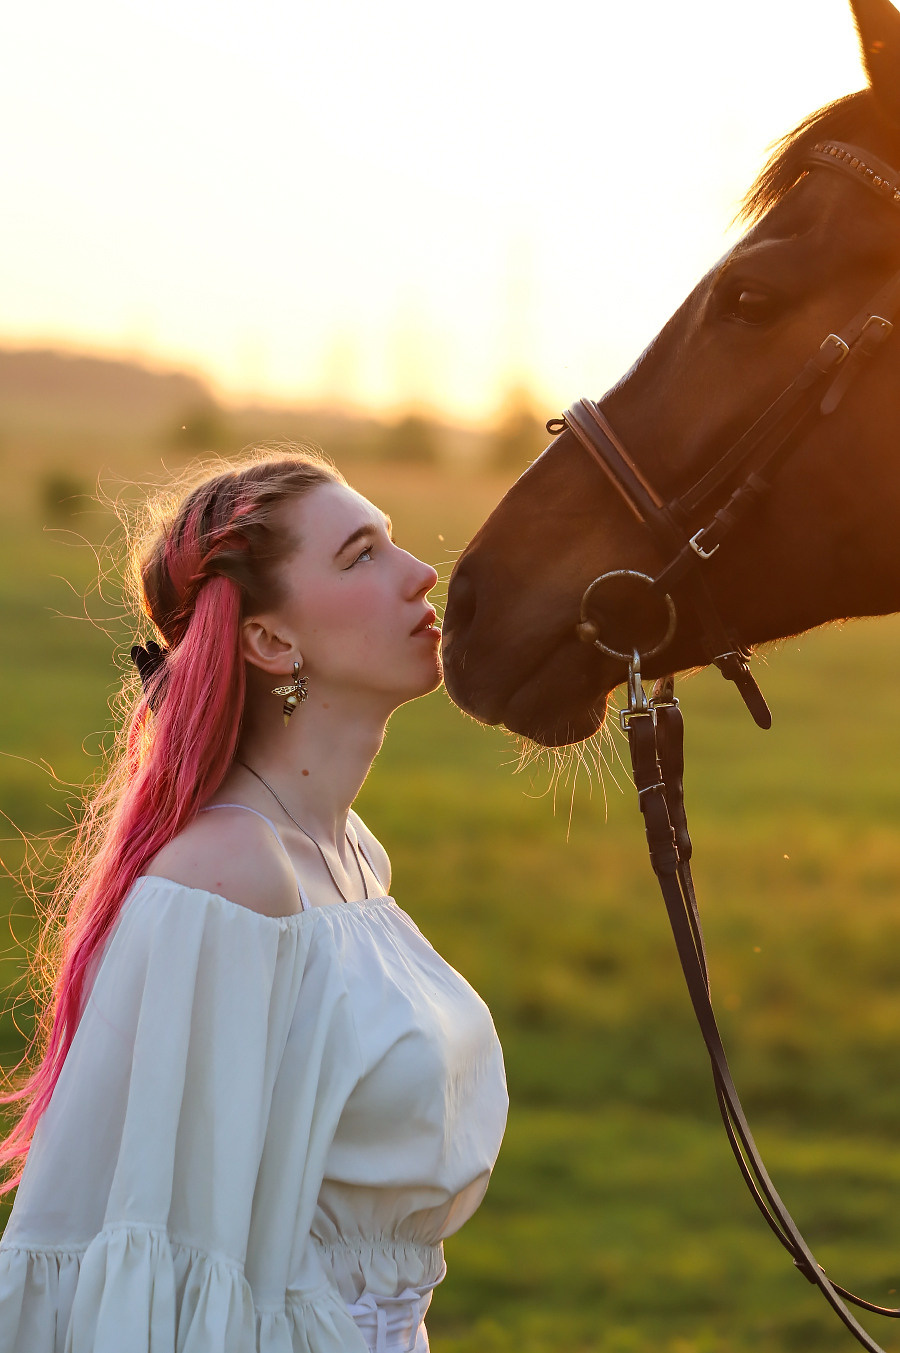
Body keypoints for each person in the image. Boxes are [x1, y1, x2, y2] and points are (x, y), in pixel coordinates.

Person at [0, 450, 508, 1353]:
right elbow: (172, 1266)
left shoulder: (352, 855)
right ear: (272, 642)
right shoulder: (232, 874)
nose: (422, 573)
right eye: (361, 554)